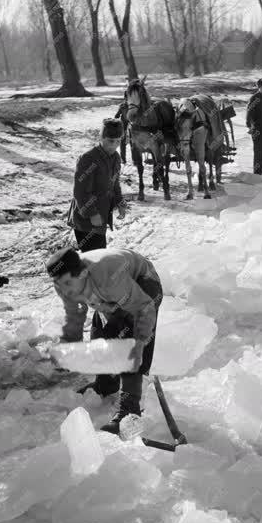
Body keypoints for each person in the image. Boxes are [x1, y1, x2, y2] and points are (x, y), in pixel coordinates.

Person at [46, 246, 163, 434]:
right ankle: (106, 384)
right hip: (107, 294)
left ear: (83, 273)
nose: (64, 290)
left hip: (142, 284)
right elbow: (75, 313)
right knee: (100, 331)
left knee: (128, 344)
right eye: (59, 284)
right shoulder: (63, 281)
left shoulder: (109, 280)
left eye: (67, 283)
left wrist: (140, 342)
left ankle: (129, 409)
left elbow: (144, 307)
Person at [67, 118, 127, 252]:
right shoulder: (88, 159)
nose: (115, 145)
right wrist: (92, 213)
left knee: (98, 256)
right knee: (93, 259)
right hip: (85, 219)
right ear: (102, 138)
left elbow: (115, 184)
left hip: (102, 216)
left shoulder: (116, 158)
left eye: (118, 141)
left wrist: (120, 202)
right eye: (111, 141)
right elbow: (80, 191)